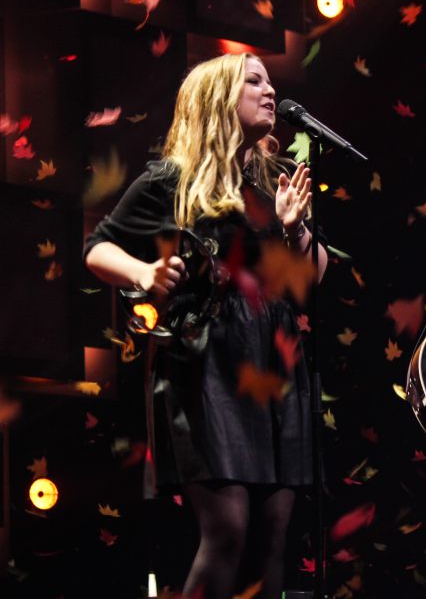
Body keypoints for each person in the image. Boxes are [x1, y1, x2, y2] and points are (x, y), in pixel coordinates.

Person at [84, 53, 328, 599]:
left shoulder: (270, 183)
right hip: (209, 360)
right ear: (219, 99)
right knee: (228, 528)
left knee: (272, 537)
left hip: (274, 362)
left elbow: (311, 277)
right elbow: (97, 247)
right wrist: (144, 272)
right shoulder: (172, 178)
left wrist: (295, 230)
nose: (270, 91)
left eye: (271, 81)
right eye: (254, 81)